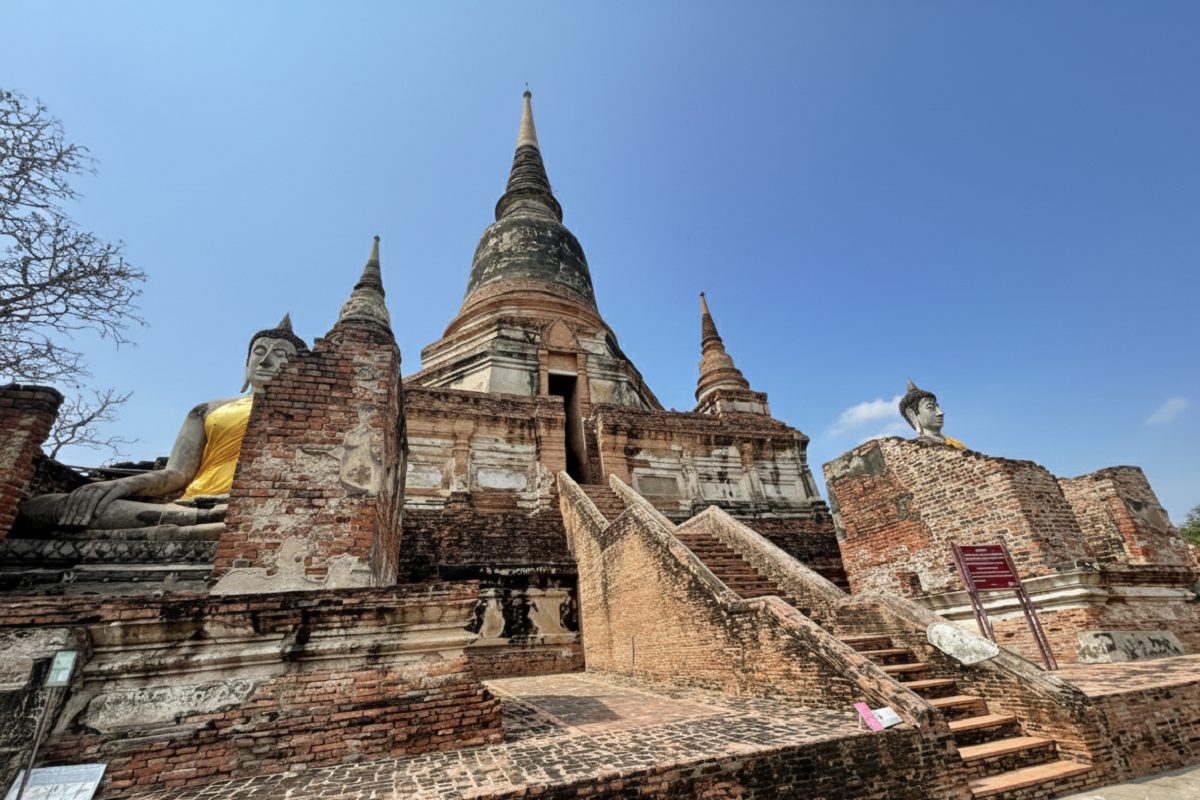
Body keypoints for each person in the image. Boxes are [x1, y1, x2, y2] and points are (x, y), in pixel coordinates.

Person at [17, 315, 308, 531]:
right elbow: (177, 474)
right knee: (42, 507)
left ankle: (208, 526)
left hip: (255, 507)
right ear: (246, 363)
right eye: (259, 352)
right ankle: (194, 523)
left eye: (280, 355)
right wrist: (117, 487)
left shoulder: (313, 414)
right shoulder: (207, 410)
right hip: (191, 505)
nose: (266, 361)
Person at [898, 378, 966, 450]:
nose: (940, 413)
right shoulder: (916, 448)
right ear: (912, 416)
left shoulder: (956, 444)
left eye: (937, 407)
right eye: (930, 407)